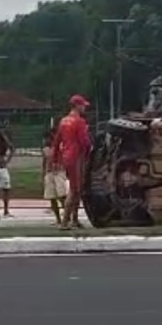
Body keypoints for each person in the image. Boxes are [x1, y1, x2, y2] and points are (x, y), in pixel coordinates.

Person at [52, 95, 91, 229]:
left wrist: (56, 158)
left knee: (77, 189)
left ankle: (74, 219)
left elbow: (57, 141)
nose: (84, 108)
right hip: (76, 157)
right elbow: (84, 141)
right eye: (83, 105)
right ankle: (65, 222)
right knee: (75, 190)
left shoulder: (63, 121)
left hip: (67, 156)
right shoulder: (79, 121)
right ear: (77, 106)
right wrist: (88, 154)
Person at [42, 127, 68, 225]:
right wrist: (43, 174)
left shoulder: (60, 146)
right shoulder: (45, 149)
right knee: (51, 197)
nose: (46, 140)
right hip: (49, 173)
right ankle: (58, 219)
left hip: (59, 172)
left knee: (62, 195)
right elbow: (44, 162)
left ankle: (66, 216)